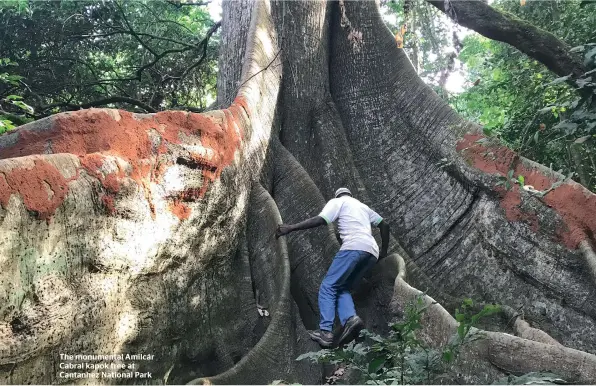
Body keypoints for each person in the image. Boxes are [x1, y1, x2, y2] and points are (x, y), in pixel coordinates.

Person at [276, 187, 390, 348]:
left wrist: (291, 228)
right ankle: (351, 319)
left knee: (328, 286)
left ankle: (326, 332)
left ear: (338, 195)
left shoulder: (338, 202)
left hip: (353, 247)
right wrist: (383, 251)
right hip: (372, 252)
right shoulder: (363, 207)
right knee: (342, 287)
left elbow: (321, 219)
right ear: (351, 195)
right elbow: (384, 225)